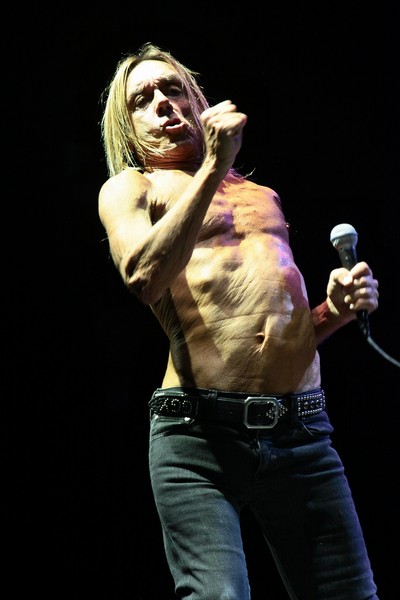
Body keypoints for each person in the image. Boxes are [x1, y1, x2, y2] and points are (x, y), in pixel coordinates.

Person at [98, 42, 380, 600]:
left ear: (198, 100)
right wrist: (212, 166)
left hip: (302, 432)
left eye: (173, 88)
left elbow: (269, 329)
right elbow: (143, 276)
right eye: (142, 100)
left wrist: (334, 311)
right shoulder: (132, 188)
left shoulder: (262, 196)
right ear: (129, 129)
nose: (163, 103)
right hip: (198, 436)